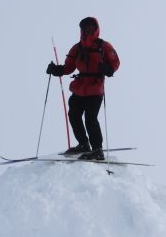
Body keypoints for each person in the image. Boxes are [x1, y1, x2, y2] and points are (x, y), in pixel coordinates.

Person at [46, 17, 120, 161]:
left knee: (90, 119)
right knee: (73, 115)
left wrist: (108, 69)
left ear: (96, 29)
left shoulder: (103, 46)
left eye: (91, 27)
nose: (88, 30)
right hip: (80, 88)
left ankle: (97, 150)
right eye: (85, 28)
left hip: (95, 87)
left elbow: (115, 62)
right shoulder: (77, 48)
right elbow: (68, 67)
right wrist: (56, 69)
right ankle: (84, 144)